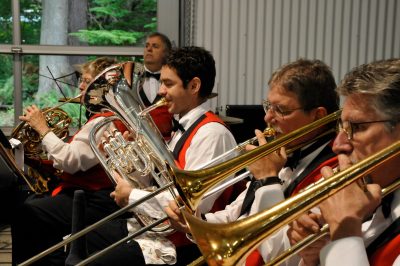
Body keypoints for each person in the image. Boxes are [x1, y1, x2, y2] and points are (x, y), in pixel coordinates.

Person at [165, 58, 340, 265]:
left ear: (318, 115)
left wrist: (268, 180)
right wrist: (196, 223)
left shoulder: (333, 172)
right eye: (268, 106)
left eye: (281, 110)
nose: (268, 118)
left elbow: (280, 255)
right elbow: (240, 214)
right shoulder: (286, 149)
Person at [82, 46, 238, 265]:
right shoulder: (183, 127)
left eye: (168, 83)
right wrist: (133, 159)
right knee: (78, 239)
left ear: (194, 86)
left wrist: (131, 195)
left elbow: (189, 207)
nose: (161, 91)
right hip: (160, 232)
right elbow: (156, 182)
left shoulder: (212, 134)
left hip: (183, 246)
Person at [11, 57, 125, 265]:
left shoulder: (102, 121)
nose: (80, 86)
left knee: (26, 213)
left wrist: (42, 128)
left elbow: (70, 160)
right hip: (90, 194)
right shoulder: (102, 117)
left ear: (102, 86)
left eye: (86, 80)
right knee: (30, 206)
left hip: (95, 200)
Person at [287, 59, 400, 266]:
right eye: (342, 127)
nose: (338, 144)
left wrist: (344, 232)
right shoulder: (369, 191)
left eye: (356, 127)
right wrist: (316, 256)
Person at [138, 32, 174, 140]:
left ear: (166, 53)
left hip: (167, 142)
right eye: (147, 46)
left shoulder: (175, 80)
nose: (149, 49)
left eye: (155, 46)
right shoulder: (131, 78)